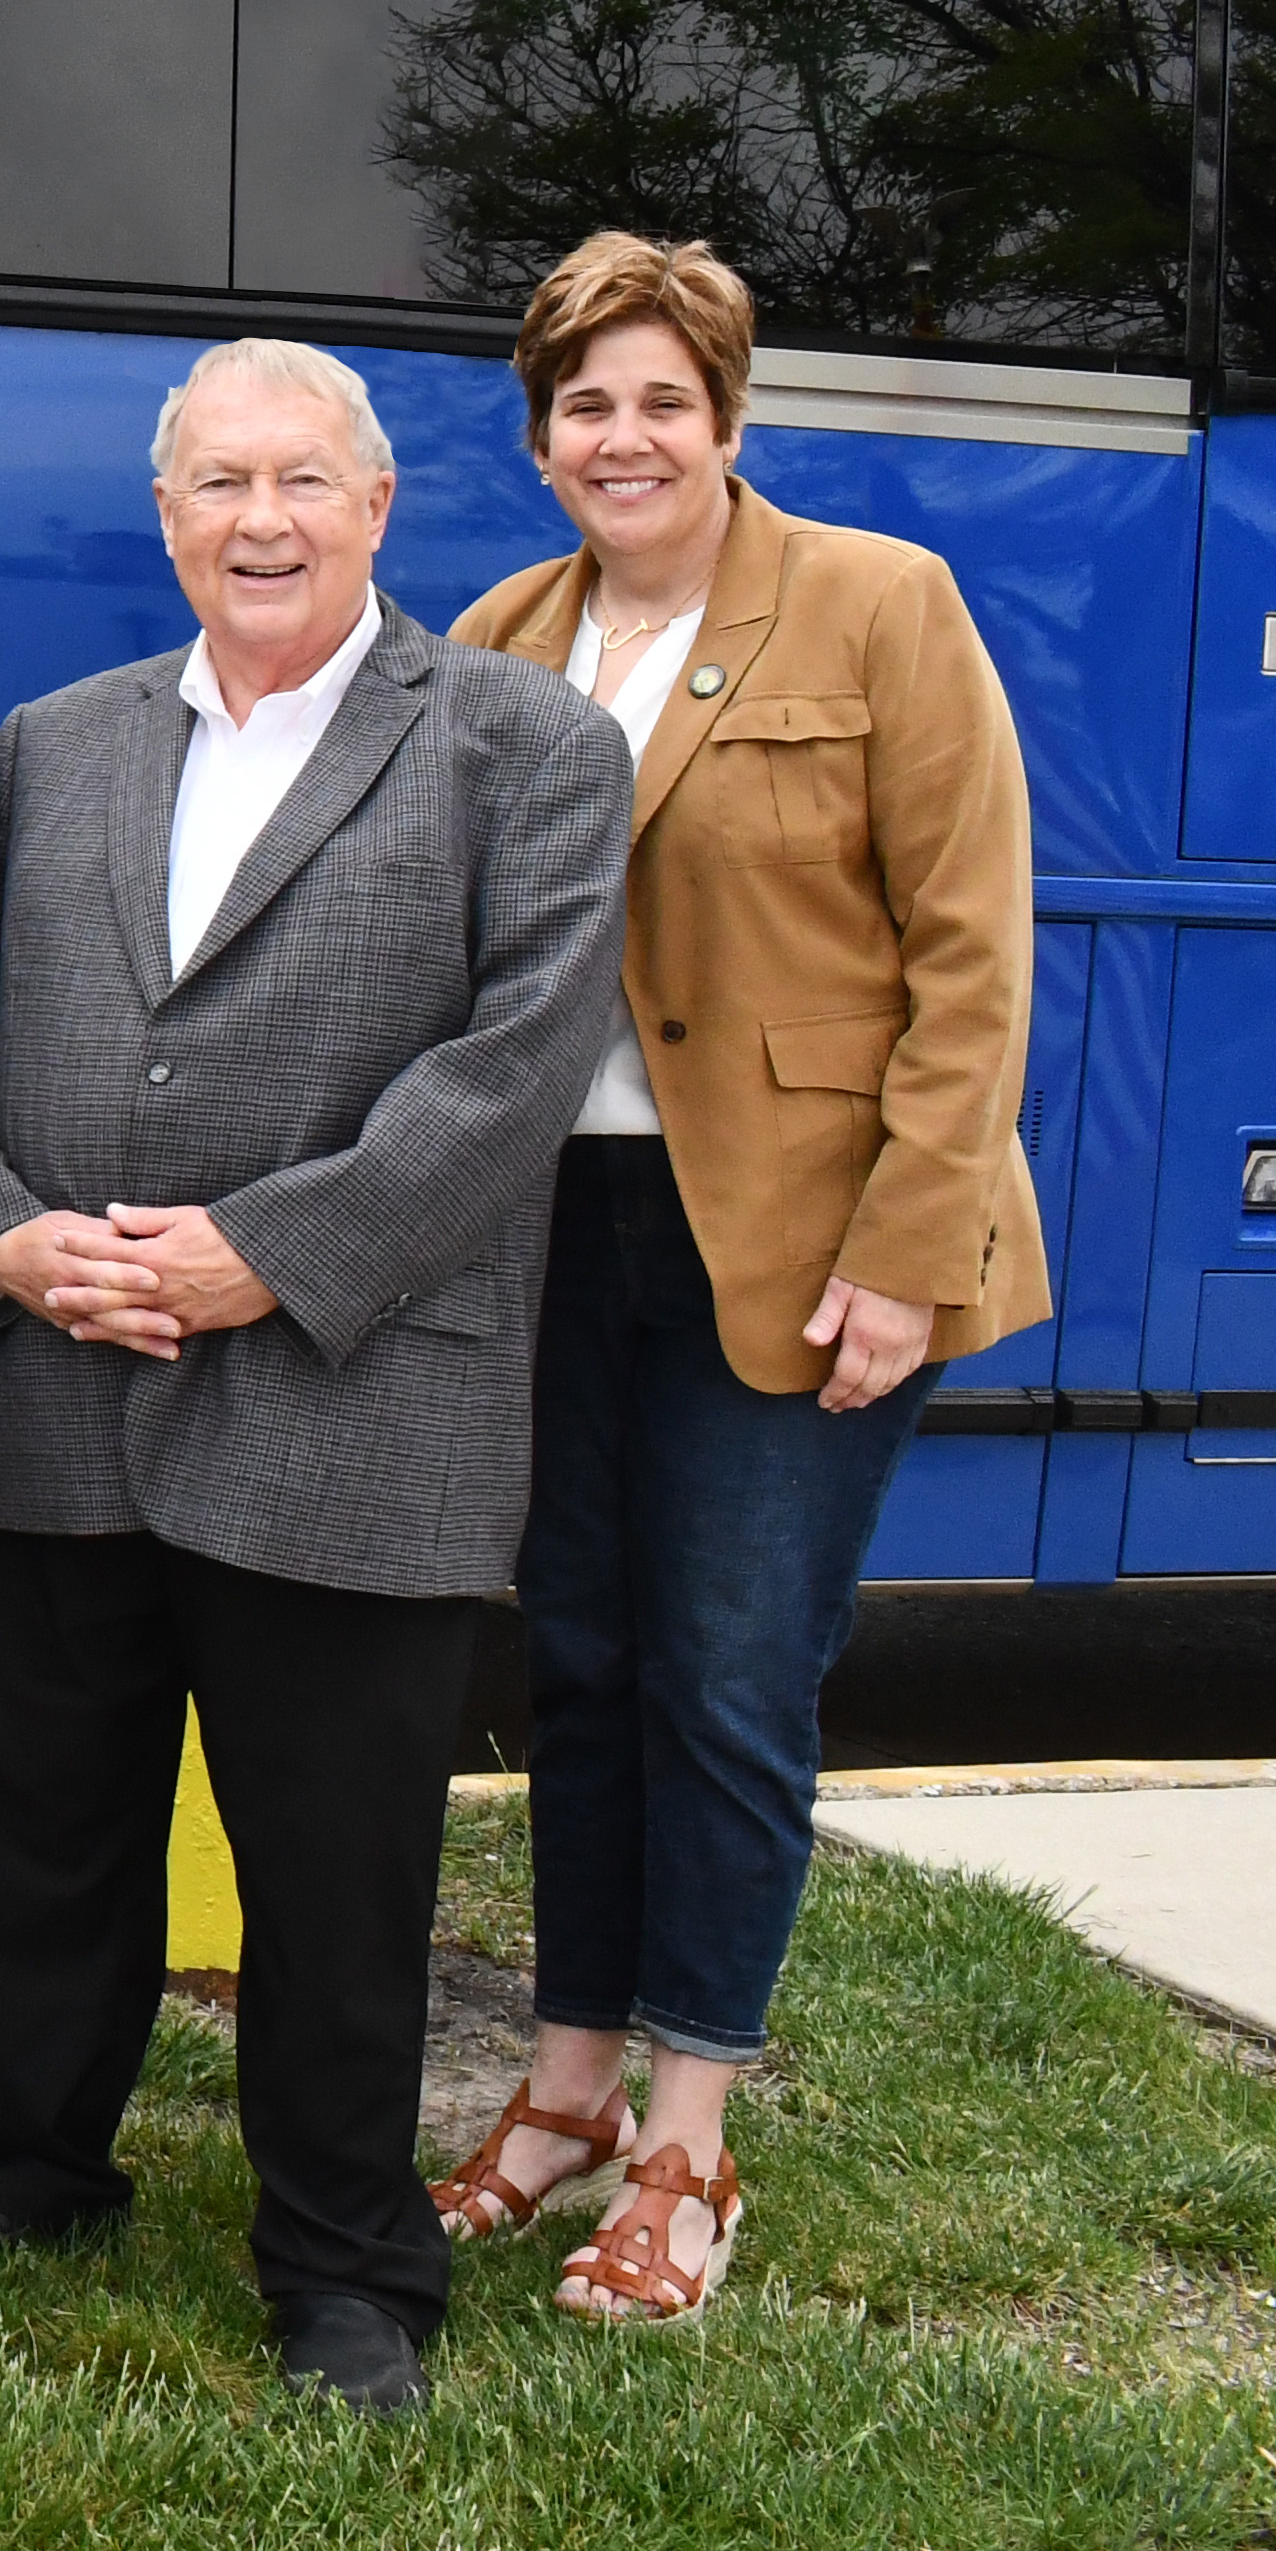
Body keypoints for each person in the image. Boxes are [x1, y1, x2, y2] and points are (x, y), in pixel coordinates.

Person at [0, 336, 630, 2418]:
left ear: (380, 506)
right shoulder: (54, 743)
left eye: (302, 478)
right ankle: (27, 2160)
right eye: (217, 482)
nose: (260, 519)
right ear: (166, 513)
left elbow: (516, 1070)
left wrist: (257, 1258)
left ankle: (346, 2259)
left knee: (337, 1864)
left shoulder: (521, 742)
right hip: (64, 1378)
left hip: (351, 1392)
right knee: (39, 1825)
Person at [425, 236, 1046, 2326]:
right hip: (559, 1237)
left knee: (726, 1673)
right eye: (585, 405)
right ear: (539, 439)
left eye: (662, 400)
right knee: (580, 1661)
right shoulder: (499, 635)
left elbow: (973, 952)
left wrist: (907, 1251)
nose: (625, 437)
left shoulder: (879, 603)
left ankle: (690, 2134)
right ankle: (568, 2085)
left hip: (796, 1235)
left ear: (726, 417)